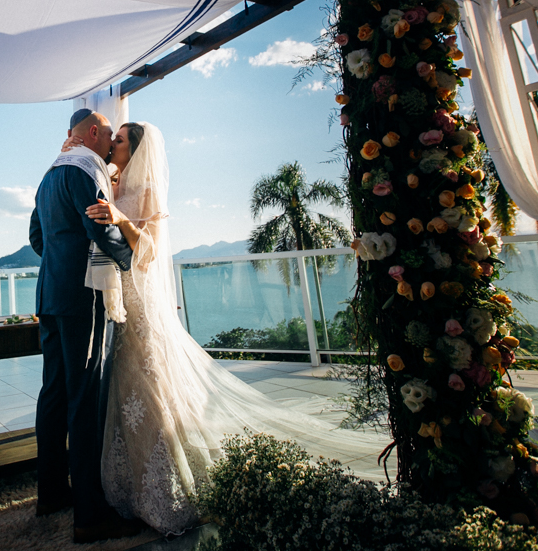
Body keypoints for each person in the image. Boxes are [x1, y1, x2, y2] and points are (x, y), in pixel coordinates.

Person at [63, 121, 384, 536]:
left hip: (141, 301)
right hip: (120, 301)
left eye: (119, 140)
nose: (112, 146)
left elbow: (151, 251)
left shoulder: (146, 192)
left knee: (148, 385)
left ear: (136, 151)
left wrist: (121, 217)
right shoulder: (108, 180)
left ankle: (164, 485)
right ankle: (127, 485)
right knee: (124, 390)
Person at [28, 109, 143, 544]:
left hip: (49, 295)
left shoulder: (49, 174)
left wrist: (60, 260)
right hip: (82, 295)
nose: (111, 143)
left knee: (53, 394)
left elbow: (37, 237)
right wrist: (133, 262)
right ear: (93, 133)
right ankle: (90, 515)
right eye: (110, 134)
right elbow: (98, 227)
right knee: (84, 399)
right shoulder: (84, 169)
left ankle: (51, 493)